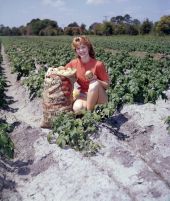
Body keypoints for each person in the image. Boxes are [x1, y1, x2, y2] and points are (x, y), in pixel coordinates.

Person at [65, 35, 109, 113]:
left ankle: (89, 115)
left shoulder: (98, 64)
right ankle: (90, 110)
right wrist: (53, 70)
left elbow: (107, 85)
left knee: (94, 84)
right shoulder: (73, 63)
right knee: (77, 108)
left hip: (99, 98)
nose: (81, 50)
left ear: (88, 47)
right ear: (76, 50)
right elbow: (63, 70)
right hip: (84, 96)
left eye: (83, 47)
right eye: (78, 48)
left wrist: (96, 80)